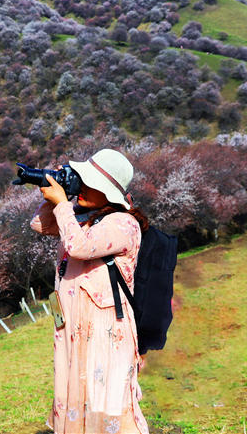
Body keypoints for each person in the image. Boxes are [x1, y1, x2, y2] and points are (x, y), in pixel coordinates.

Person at [30, 149, 150, 434]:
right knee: (77, 396)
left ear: (108, 191)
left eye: (89, 181)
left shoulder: (124, 223)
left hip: (105, 329)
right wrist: (57, 195)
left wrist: (62, 204)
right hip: (73, 326)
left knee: (107, 404)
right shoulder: (85, 217)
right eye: (81, 179)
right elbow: (41, 225)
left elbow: (79, 247)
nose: (81, 185)